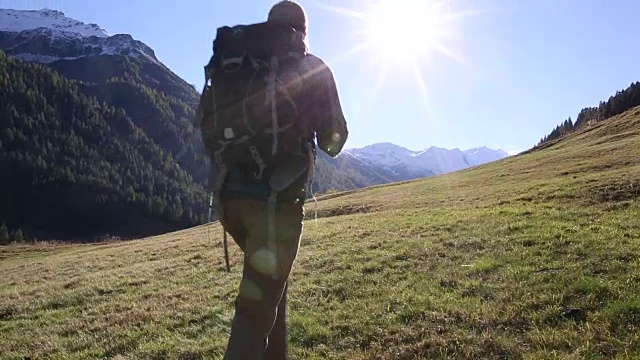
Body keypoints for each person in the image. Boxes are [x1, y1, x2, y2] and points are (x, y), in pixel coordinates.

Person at [205, 1, 349, 359]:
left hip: (230, 200)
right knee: (253, 316)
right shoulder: (312, 67)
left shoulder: (237, 61)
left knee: (272, 288)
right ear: (303, 31)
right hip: (274, 204)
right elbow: (334, 142)